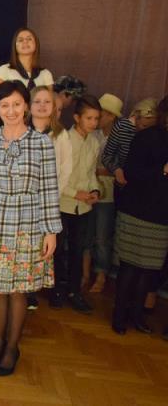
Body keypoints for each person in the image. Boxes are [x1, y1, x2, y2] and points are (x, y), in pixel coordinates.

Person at [0, 80, 61, 376]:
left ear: (26, 107)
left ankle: (12, 347)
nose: (11, 111)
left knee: (18, 289)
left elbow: (49, 188)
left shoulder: (42, 143)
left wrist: (51, 231)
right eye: (5, 105)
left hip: (28, 222)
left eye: (17, 104)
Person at [111, 98, 168, 335]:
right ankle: (119, 316)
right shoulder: (146, 136)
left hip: (161, 216)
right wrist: (162, 171)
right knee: (129, 267)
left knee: (149, 270)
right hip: (136, 211)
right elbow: (131, 172)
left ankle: (136, 315)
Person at [53, 95, 101, 313]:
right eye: (89, 118)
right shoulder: (63, 139)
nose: (94, 123)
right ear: (76, 117)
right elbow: (56, 175)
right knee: (56, 249)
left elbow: (91, 173)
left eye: (96, 118)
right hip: (62, 203)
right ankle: (55, 289)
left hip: (83, 207)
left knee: (77, 250)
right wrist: (75, 193)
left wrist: (95, 190)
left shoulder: (94, 142)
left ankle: (74, 291)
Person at [27, 86, 72, 309]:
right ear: (29, 105)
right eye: (38, 101)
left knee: (42, 246)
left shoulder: (60, 134)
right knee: (23, 244)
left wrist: (51, 195)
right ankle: (21, 289)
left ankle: (36, 288)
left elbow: (65, 168)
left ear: (54, 107)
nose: (42, 106)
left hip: (48, 201)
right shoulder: (21, 130)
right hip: (23, 200)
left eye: (47, 102)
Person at [88, 93, 121, 293]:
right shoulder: (94, 134)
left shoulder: (119, 138)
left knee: (102, 236)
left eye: (102, 115)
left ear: (111, 116)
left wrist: (99, 171)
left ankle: (101, 274)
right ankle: (85, 272)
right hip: (89, 189)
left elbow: (122, 168)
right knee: (87, 234)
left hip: (107, 192)